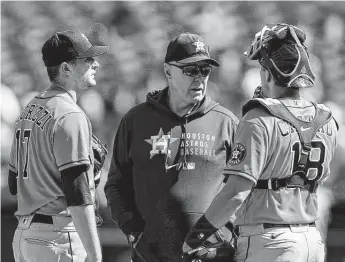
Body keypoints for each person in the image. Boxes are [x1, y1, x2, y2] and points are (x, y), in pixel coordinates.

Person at [183, 23, 339, 262]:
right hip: (312, 240)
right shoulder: (327, 118)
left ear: (267, 73)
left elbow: (236, 193)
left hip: (271, 242)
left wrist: (197, 236)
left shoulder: (258, 117)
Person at [104, 32, 238, 262]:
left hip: (211, 256)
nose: (200, 78)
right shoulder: (136, 120)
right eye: (190, 70)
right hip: (152, 256)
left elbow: (242, 190)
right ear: (168, 71)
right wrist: (134, 233)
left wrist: (227, 238)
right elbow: (116, 186)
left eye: (205, 70)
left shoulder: (226, 122)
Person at [8, 28, 108, 262]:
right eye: (88, 59)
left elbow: (14, 184)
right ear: (66, 68)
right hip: (57, 239)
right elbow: (78, 195)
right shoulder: (69, 115)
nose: (96, 64)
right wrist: (94, 255)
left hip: (24, 237)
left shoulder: (28, 110)